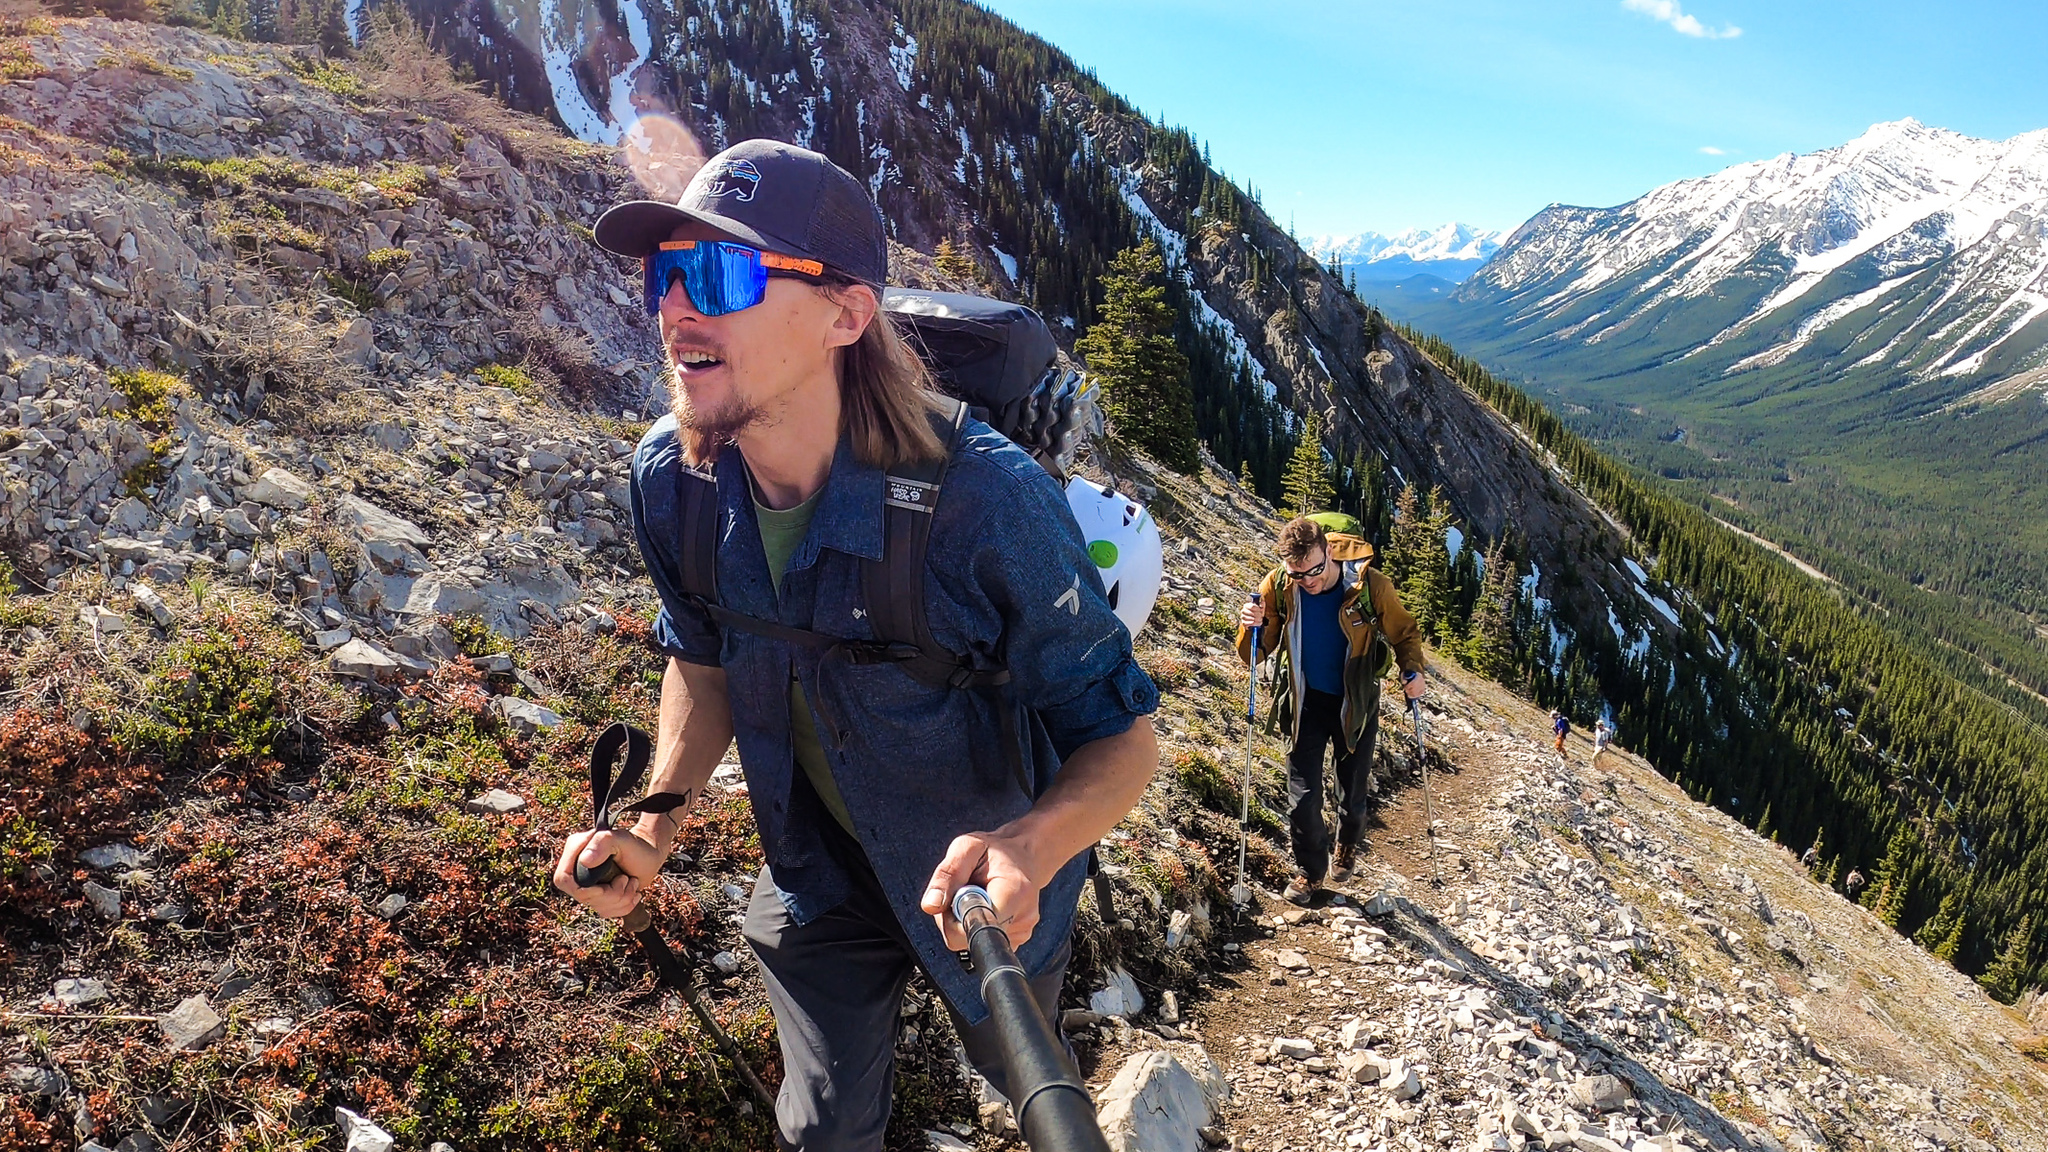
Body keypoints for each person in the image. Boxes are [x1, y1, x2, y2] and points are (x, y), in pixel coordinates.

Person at [550, 140, 1160, 1151]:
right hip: (813, 871)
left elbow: (1119, 735)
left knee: (1012, 1069)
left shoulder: (985, 503)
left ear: (845, 314)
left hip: (982, 897)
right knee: (824, 1131)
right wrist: (652, 824)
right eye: (665, 273)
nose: (673, 307)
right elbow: (702, 659)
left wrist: (1030, 847)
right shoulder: (673, 480)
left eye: (720, 273)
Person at [1236, 515, 1425, 906]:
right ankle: (1310, 871)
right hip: (1305, 701)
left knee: (1351, 791)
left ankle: (1347, 845)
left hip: (1354, 701)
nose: (1308, 580)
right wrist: (1250, 627)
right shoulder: (1279, 586)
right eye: (1298, 573)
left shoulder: (1369, 585)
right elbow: (1254, 654)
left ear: (1328, 551)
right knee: (1301, 797)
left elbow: (1404, 631)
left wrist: (1413, 670)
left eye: (1315, 570)